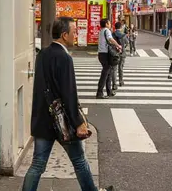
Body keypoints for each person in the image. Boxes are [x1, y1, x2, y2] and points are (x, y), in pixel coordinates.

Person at [22, 17, 114, 191]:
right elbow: (69, 93)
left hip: (43, 118)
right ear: (64, 35)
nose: (76, 36)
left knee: (37, 165)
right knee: (79, 161)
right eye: (73, 32)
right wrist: (78, 123)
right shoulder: (64, 58)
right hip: (63, 121)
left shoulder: (43, 54)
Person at [96, 19, 121, 99]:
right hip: (105, 54)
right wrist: (118, 45)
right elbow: (110, 39)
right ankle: (99, 93)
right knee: (105, 73)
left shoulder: (101, 31)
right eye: (109, 23)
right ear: (106, 24)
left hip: (101, 54)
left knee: (108, 72)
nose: (110, 24)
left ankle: (109, 91)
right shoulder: (107, 30)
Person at [112, 22, 128, 89]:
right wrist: (122, 47)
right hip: (122, 53)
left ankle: (114, 84)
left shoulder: (112, 34)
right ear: (121, 27)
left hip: (115, 53)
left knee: (114, 69)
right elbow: (127, 43)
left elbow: (110, 43)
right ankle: (121, 81)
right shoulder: (123, 35)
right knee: (120, 68)